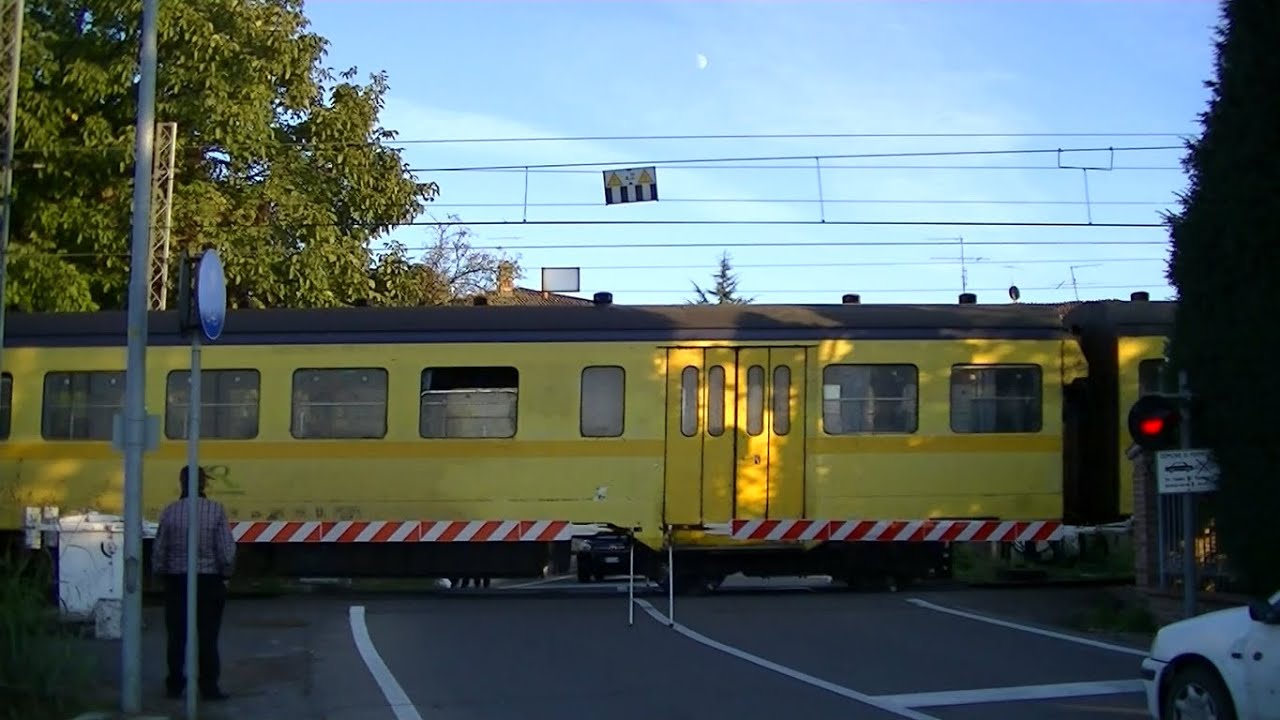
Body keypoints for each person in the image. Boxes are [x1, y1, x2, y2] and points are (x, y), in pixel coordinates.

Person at [151, 465, 235, 701]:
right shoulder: (215, 511)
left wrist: (162, 575)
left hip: (177, 582)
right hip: (209, 582)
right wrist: (225, 576)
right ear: (204, 483)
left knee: (177, 637)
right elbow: (226, 553)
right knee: (208, 637)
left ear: (181, 482)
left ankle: (175, 685)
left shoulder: (170, 512)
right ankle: (208, 687)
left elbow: (159, 551)